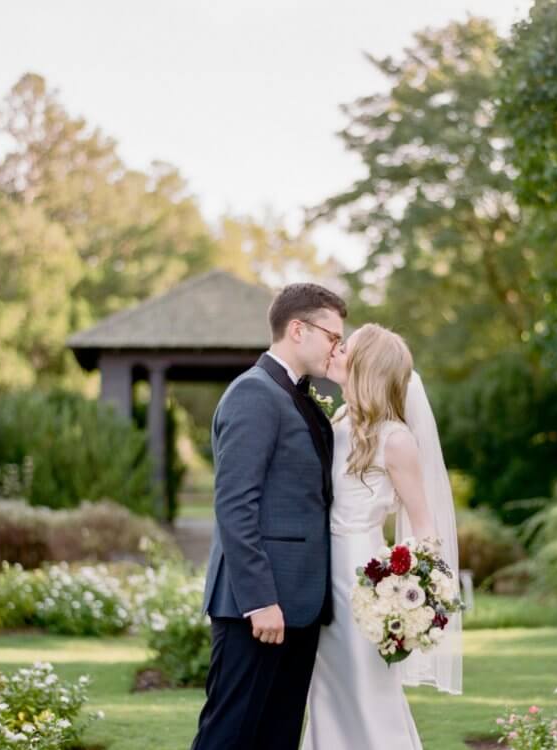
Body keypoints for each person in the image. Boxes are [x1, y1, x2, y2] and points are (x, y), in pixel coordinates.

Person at [191, 282, 347, 750]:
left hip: (298, 604)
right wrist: (259, 600)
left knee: (275, 738)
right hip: (258, 606)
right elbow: (235, 505)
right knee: (230, 736)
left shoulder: (297, 394)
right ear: (298, 329)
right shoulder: (253, 394)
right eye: (332, 336)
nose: (337, 347)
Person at [302, 323, 463, 750]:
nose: (335, 351)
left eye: (345, 348)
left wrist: (414, 592)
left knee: (366, 688)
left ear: (367, 367)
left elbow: (424, 524)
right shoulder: (337, 421)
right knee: (328, 690)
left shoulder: (395, 440)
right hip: (322, 572)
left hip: (363, 578)